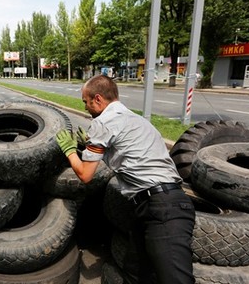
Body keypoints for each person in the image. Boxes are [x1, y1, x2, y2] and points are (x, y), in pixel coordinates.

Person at [55, 75, 195, 284]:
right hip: (152, 207)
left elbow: (85, 175)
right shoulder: (137, 120)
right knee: (135, 273)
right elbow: (128, 155)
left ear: (98, 99)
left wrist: (70, 151)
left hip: (163, 210)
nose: (85, 107)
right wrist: (88, 147)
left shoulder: (104, 122)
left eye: (86, 101)